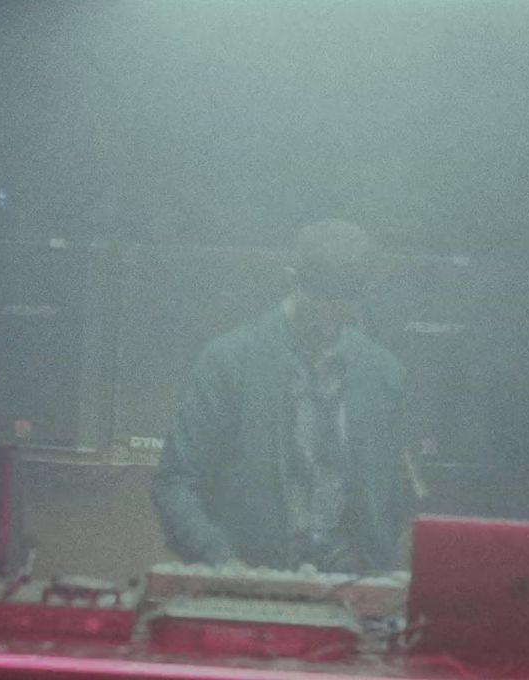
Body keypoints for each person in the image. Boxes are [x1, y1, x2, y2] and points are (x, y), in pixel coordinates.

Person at [151, 219, 418, 573]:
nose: (331, 311)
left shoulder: (384, 374)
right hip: (246, 575)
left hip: (352, 581)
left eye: (344, 298)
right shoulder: (229, 363)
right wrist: (218, 557)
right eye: (321, 296)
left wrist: (372, 558)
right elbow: (175, 482)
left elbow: (395, 491)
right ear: (293, 279)